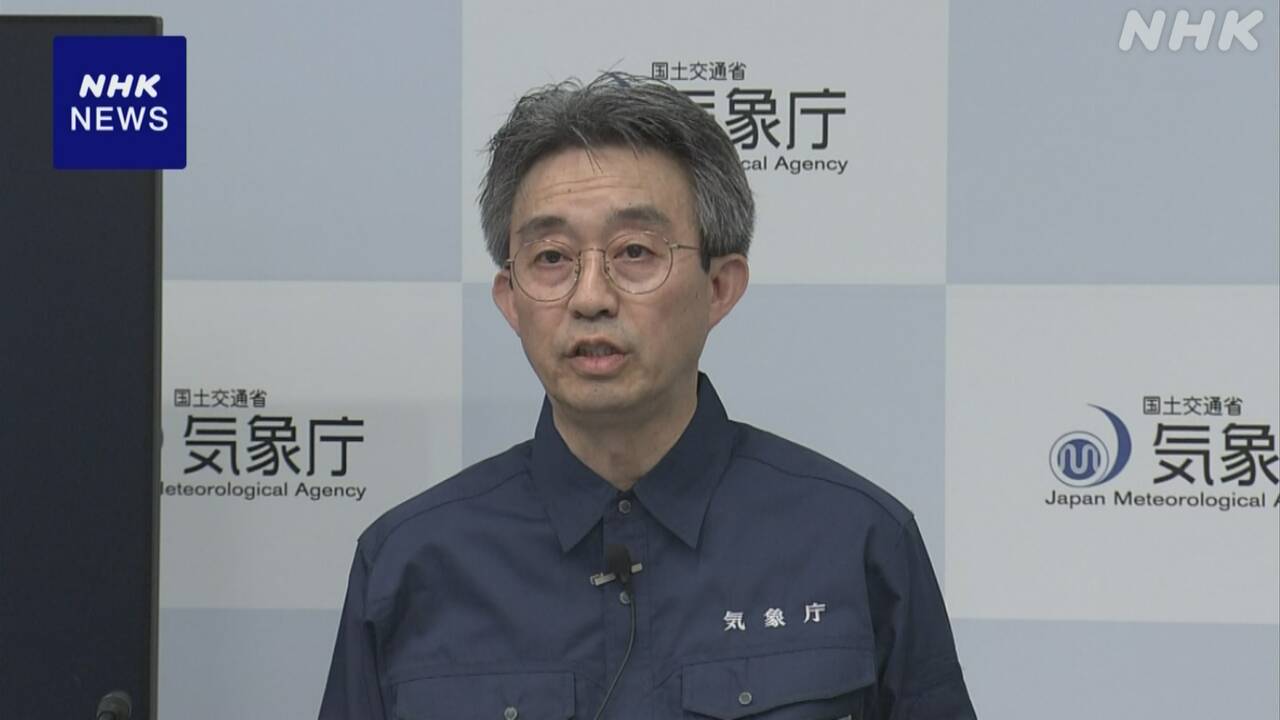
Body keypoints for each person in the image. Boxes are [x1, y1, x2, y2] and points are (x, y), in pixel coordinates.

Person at [320, 71, 976, 720]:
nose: (591, 297)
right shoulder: (410, 563)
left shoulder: (855, 541)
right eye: (551, 258)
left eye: (635, 251)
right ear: (511, 301)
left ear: (719, 287)